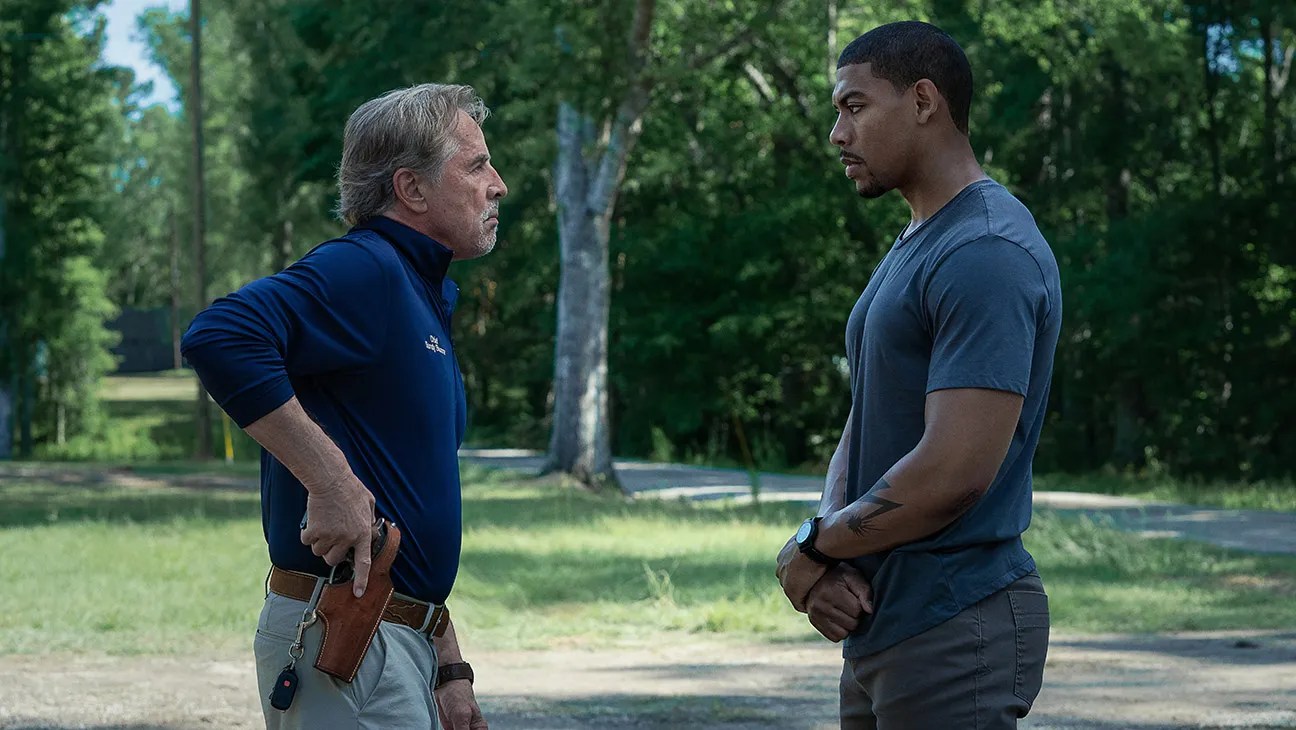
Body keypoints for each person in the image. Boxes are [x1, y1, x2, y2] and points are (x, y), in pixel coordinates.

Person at [182, 83, 507, 730]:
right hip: (347, 644)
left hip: (394, 640)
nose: (497, 185)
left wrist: (446, 661)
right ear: (411, 189)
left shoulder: (417, 293)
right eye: (476, 166)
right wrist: (329, 482)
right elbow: (218, 336)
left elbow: (406, 500)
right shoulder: (367, 269)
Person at [774, 21, 1062, 729]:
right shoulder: (920, 239)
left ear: (924, 100)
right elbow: (869, 408)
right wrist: (824, 543)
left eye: (854, 106)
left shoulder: (985, 249)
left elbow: (953, 471)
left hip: (954, 624)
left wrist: (809, 549)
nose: (838, 134)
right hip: (885, 622)